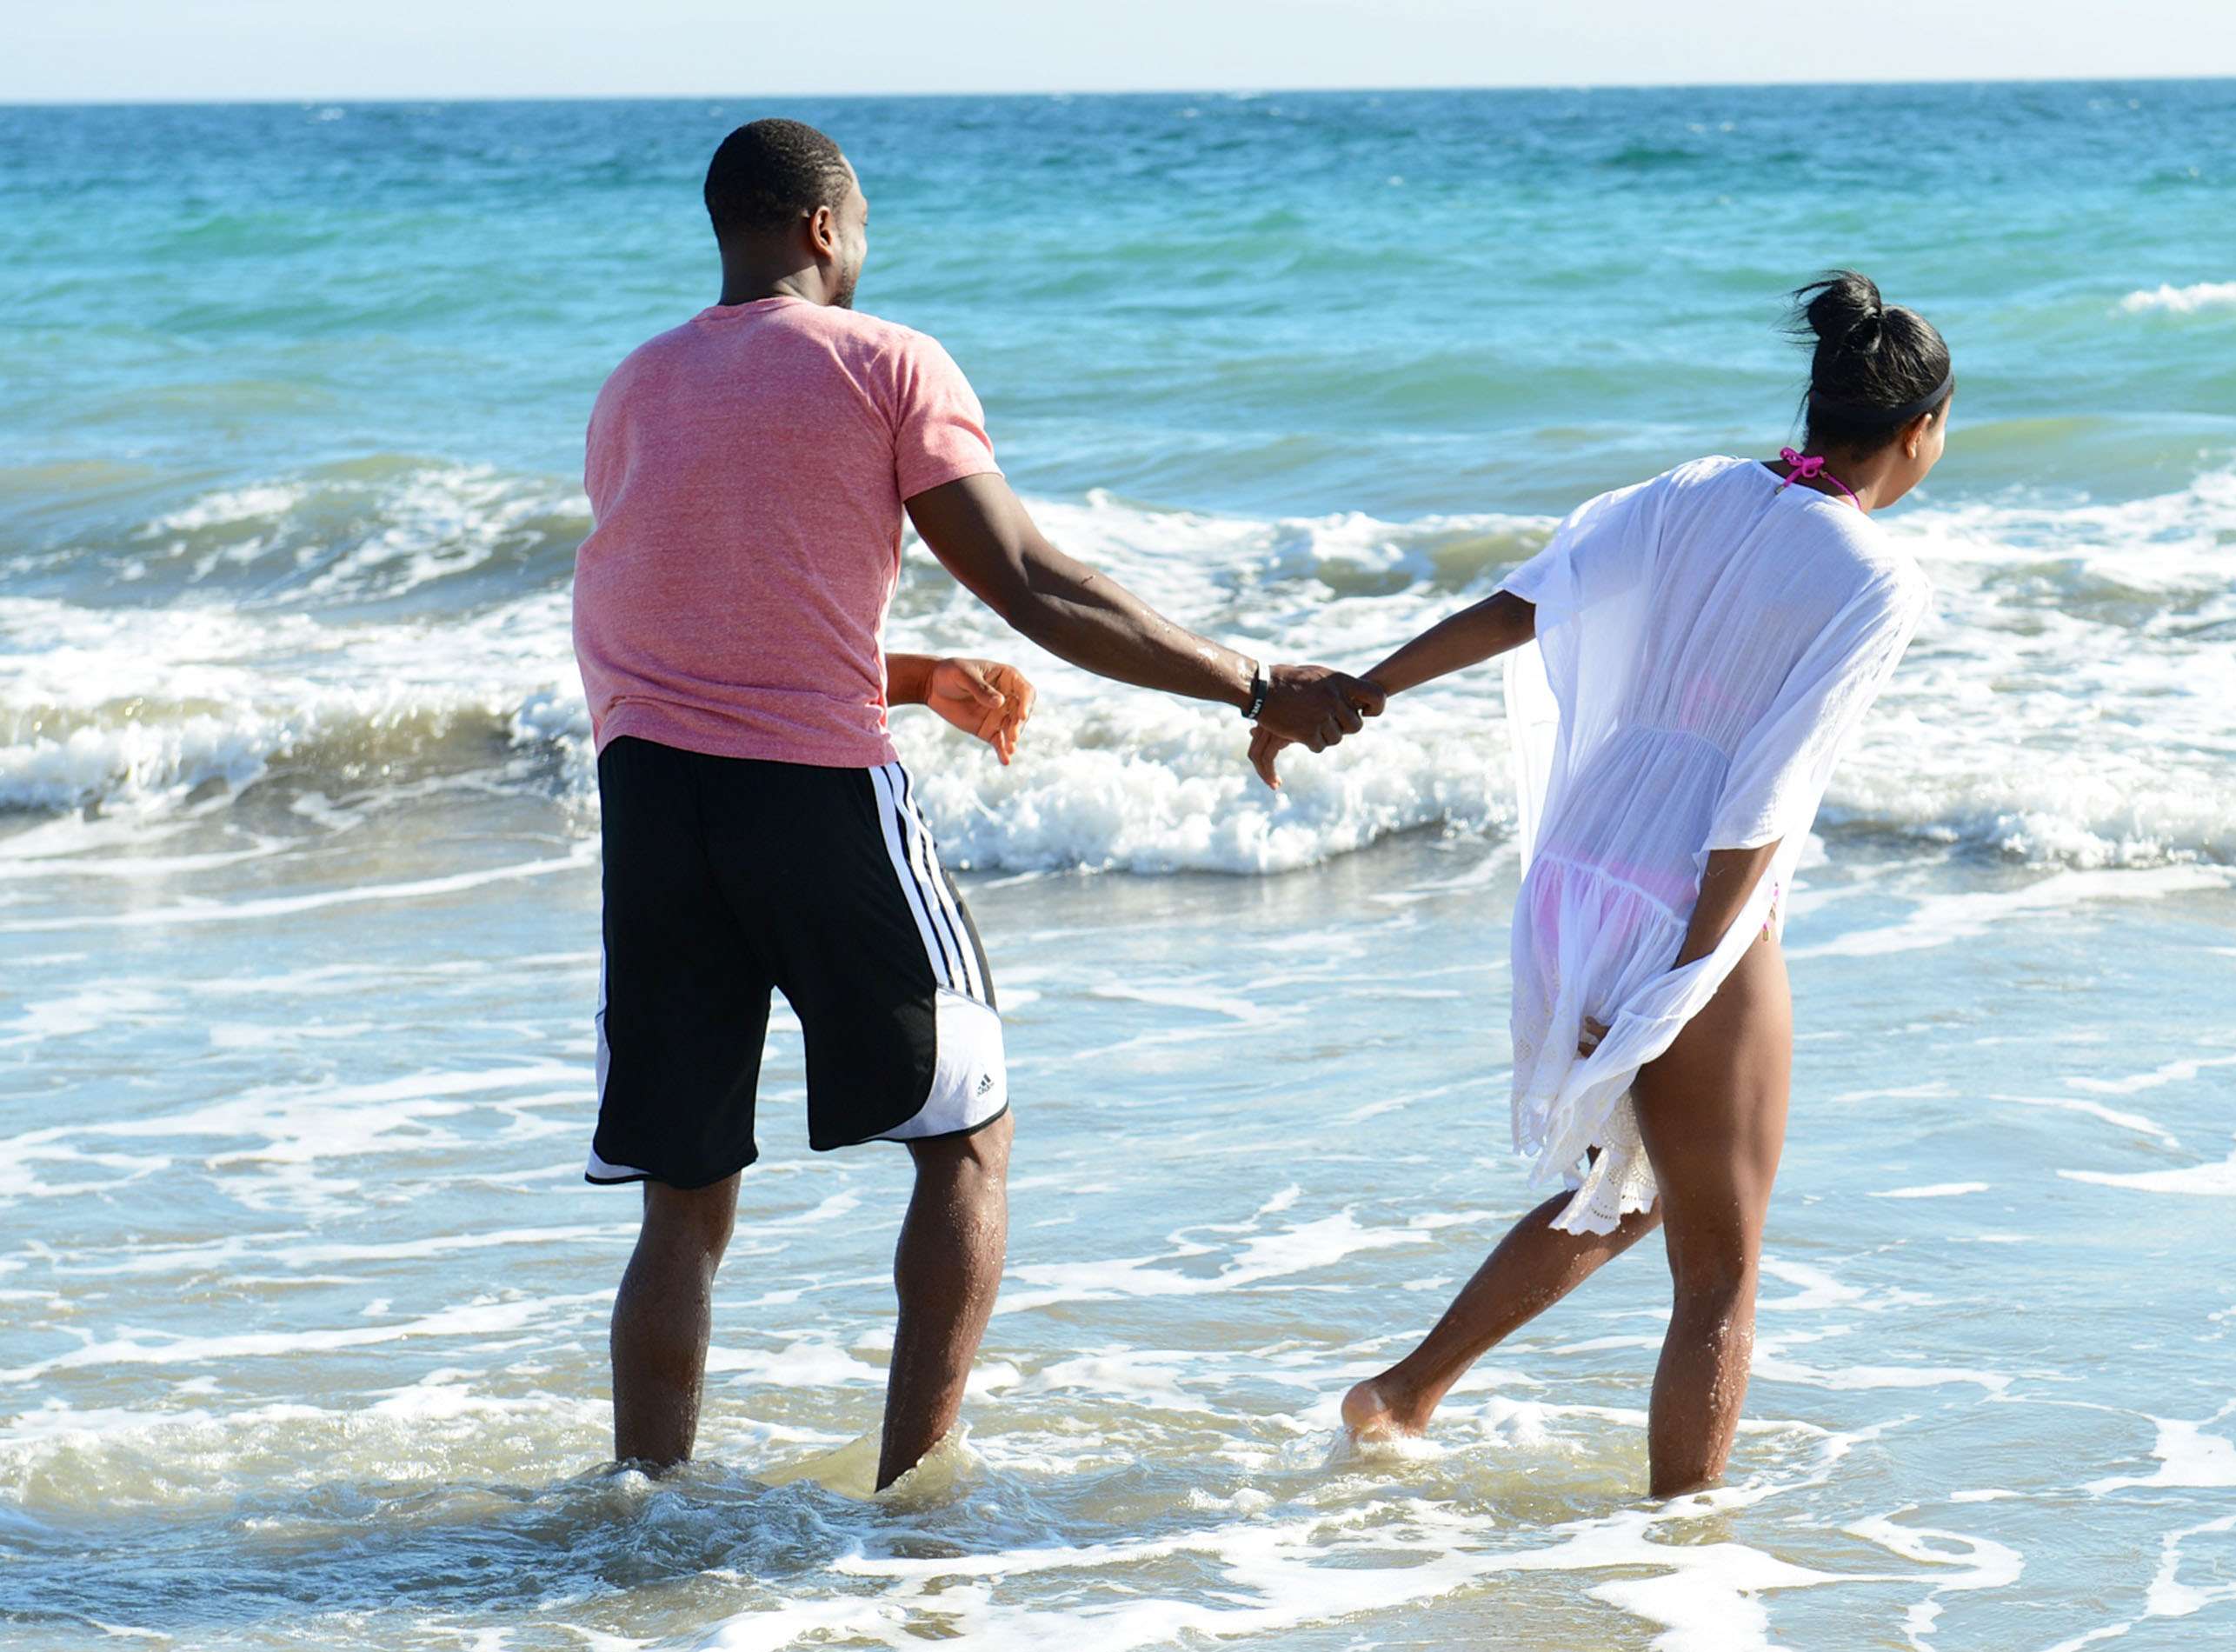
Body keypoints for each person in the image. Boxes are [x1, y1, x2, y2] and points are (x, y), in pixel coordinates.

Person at [575, 118, 1382, 1489]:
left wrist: (909, 671)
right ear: (826, 227)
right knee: (967, 1138)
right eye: (866, 226)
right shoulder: (889, 360)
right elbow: (1035, 583)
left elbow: (684, 614)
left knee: (683, 1196)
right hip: (821, 803)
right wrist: (1255, 683)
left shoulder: (635, 387)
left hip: (652, 809)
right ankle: (912, 1501)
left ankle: (643, 1504)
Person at [1253, 272, 1947, 1496]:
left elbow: (1521, 604)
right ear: (1921, 431)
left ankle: (1402, 1396)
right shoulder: (1877, 577)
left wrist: (1361, 691)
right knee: (1722, 1276)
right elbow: (1763, 796)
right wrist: (1693, 967)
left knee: (1638, 1190)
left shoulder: (1696, 490)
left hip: (1582, 869)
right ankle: (1683, 1568)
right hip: (1691, 892)